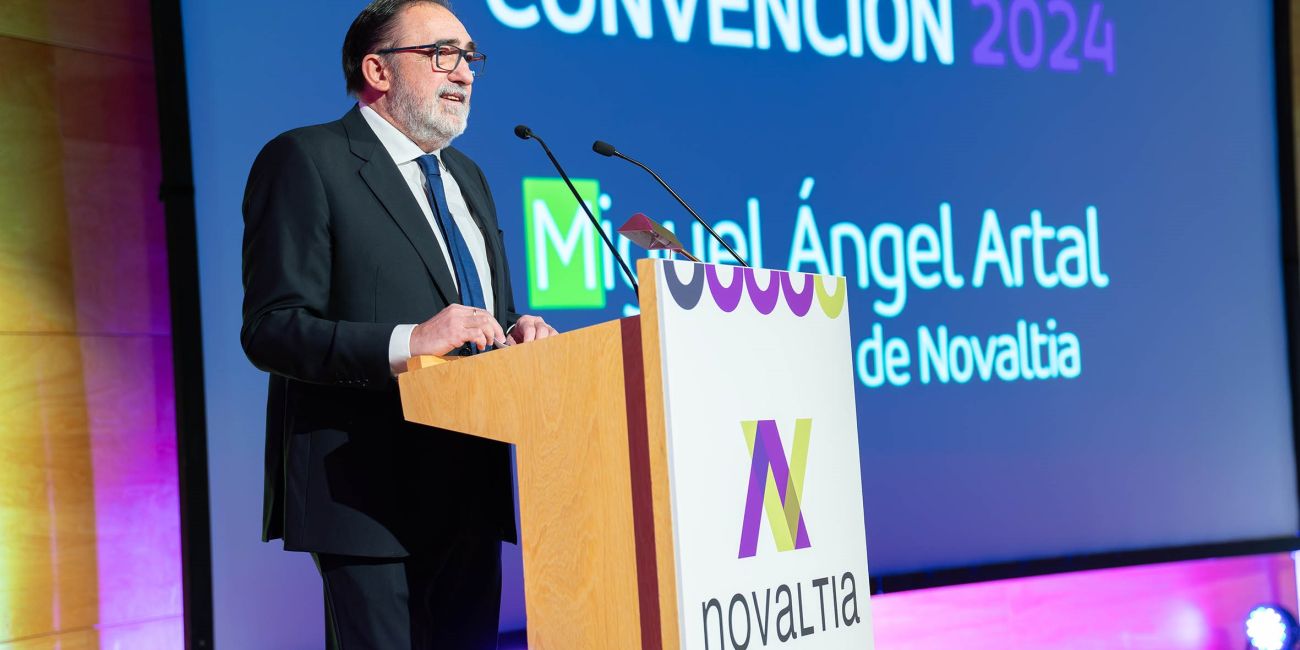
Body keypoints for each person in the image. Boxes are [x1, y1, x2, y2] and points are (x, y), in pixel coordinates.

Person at [240, 1, 556, 647]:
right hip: (367, 494)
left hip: (471, 487)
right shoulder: (307, 158)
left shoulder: (468, 177)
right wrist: (409, 342)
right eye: (442, 54)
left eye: (469, 57)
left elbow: (478, 313)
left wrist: (515, 330)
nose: (464, 72)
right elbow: (272, 327)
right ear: (377, 70)